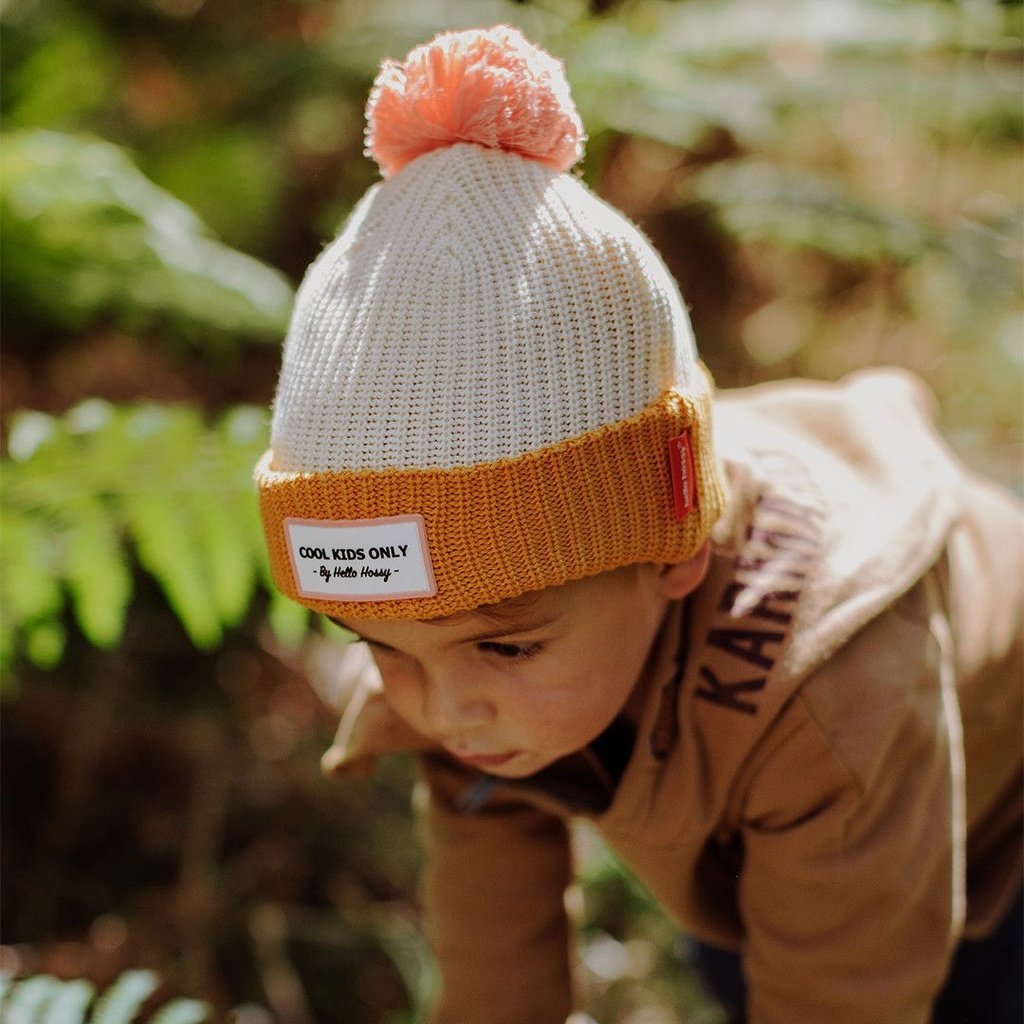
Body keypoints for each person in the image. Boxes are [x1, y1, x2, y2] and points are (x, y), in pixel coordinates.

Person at [254, 25, 1023, 1024]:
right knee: (739, 951)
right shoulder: (451, 644)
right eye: (382, 645)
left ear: (673, 543)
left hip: (995, 823)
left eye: (507, 644)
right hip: (758, 826)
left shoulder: (833, 690)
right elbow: (495, 976)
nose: (443, 707)